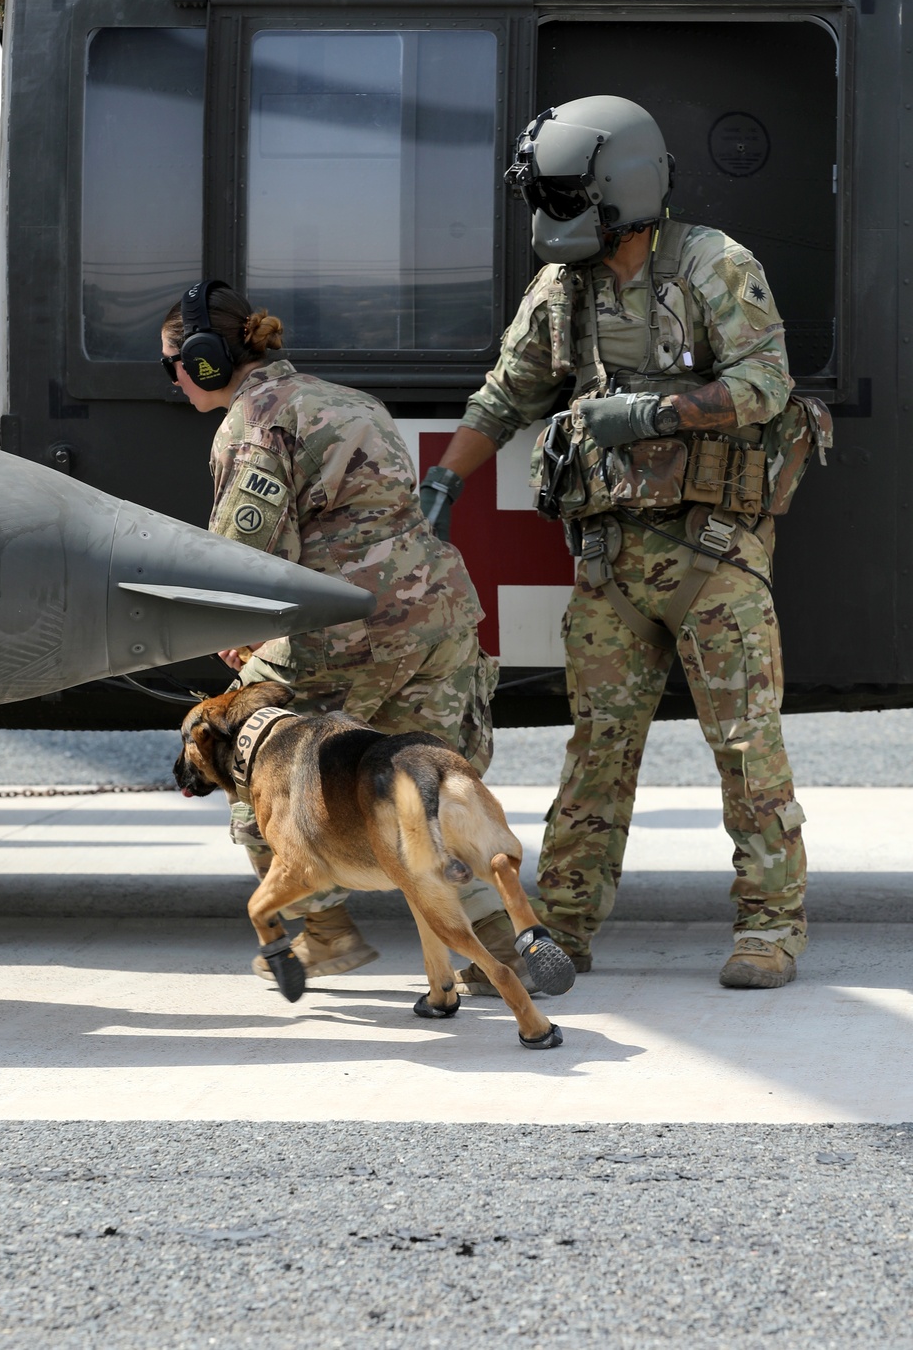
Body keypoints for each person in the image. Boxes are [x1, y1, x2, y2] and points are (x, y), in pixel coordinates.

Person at [421, 95, 829, 991]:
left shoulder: (715, 267)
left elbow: (765, 386)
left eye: (572, 200)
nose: (556, 220)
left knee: (745, 746)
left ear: (624, 192)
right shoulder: (563, 287)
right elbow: (506, 395)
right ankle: (561, 928)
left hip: (713, 553)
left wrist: (653, 410)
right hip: (609, 562)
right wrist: (447, 477)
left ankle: (770, 927)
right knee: (596, 751)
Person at [161, 279, 528, 994]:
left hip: (347, 632)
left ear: (206, 360)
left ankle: (324, 933)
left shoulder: (254, 422)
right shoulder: (353, 400)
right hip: (440, 620)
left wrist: (228, 635)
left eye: (172, 362)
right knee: (431, 788)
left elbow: (242, 560)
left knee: (246, 761)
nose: (172, 379)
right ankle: (500, 947)